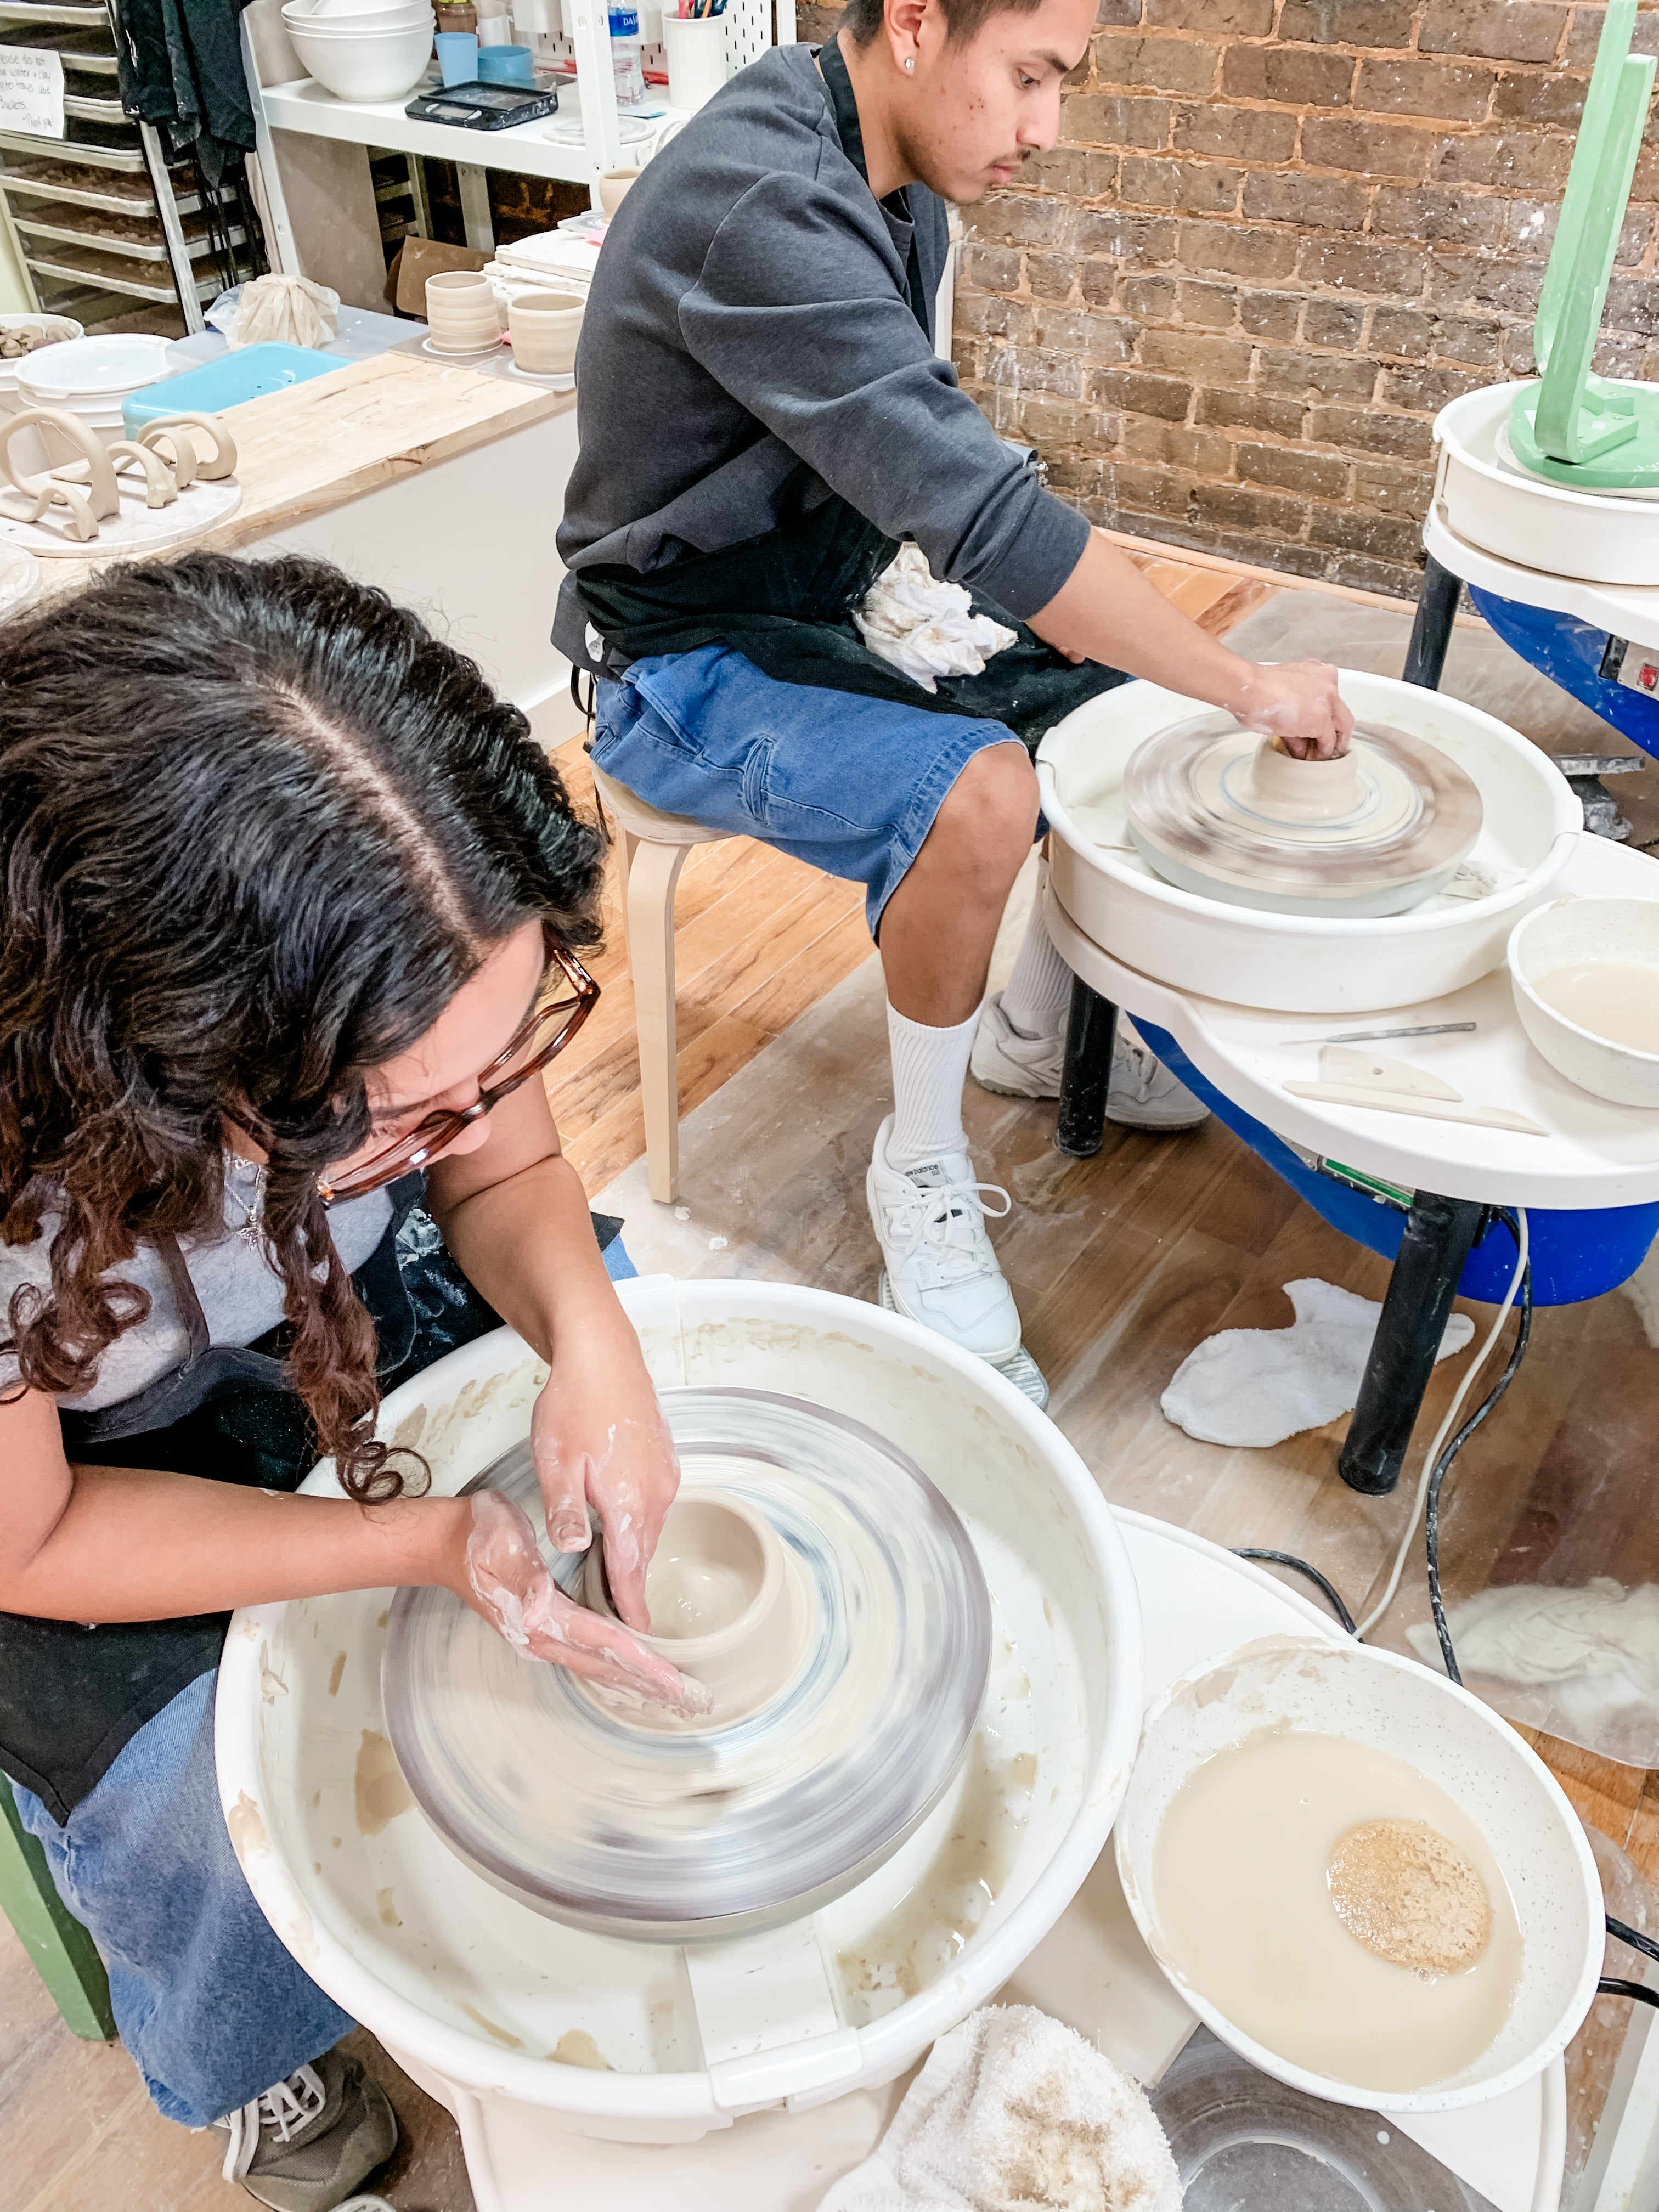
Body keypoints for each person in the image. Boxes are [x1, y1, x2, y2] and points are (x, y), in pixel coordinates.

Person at [0, 555, 704, 2212]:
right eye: (387, 1112)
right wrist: (425, 1542)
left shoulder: (420, 967)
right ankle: (254, 2047)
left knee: (631, 1364)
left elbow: (505, 1171)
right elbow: (31, 1543)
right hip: (79, 1458)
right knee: (191, 1780)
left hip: (325, 1305)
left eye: (501, 1052)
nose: (462, 1117)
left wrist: (594, 1343)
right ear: (148, 1047)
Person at [556, 0, 1352, 1397]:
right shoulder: (765, 205)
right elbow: (982, 515)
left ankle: (1038, 1033)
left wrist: (1169, 673)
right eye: (1030, 76)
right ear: (916, 26)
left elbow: (922, 466)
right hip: (677, 655)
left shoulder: (891, 173)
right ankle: (918, 1161)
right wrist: (1244, 682)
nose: (1047, 127)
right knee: (982, 789)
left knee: (1112, 691)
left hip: (819, 589)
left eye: (1067, 82)